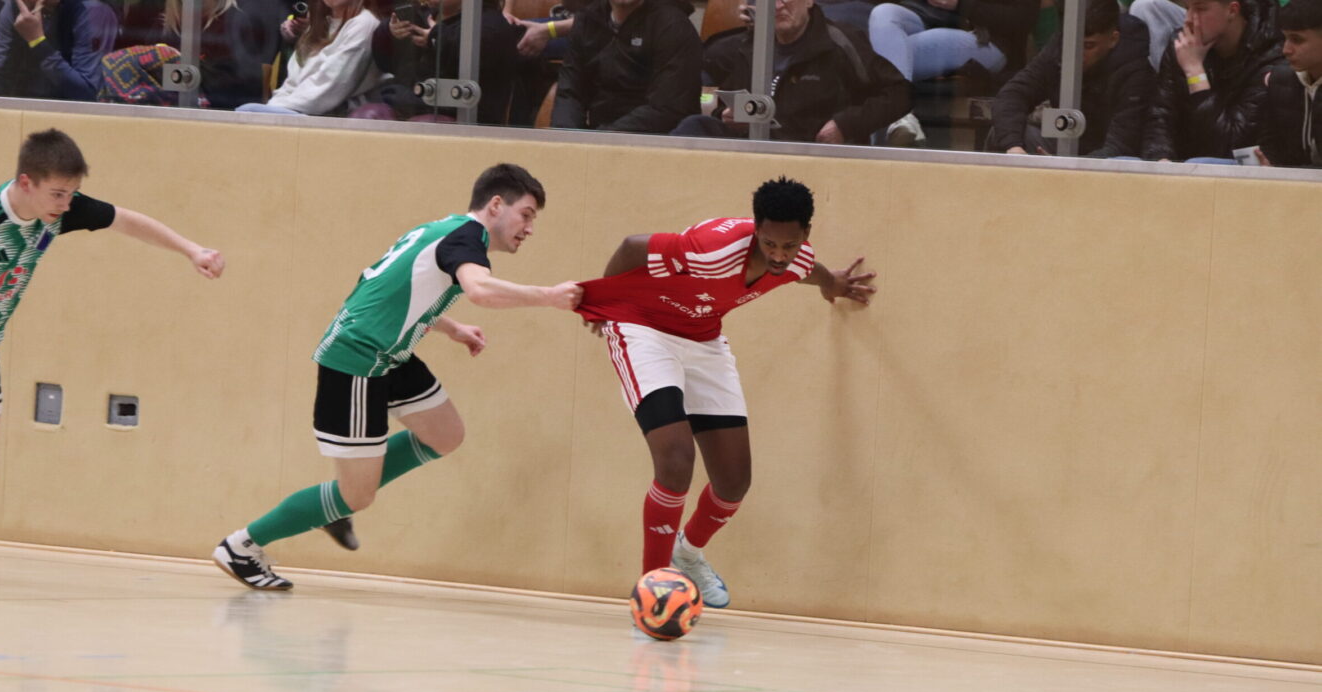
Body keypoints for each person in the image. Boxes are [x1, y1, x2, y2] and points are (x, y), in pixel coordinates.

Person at [212, 164, 583, 591]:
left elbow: (390, 289)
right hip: (356, 361)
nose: (530, 228)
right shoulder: (467, 238)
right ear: (496, 205)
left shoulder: (443, 230)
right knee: (357, 496)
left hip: (391, 355)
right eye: (527, 214)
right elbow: (480, 290)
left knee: (445, 434)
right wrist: (548, 296)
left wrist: (450, 327)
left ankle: (338, 499)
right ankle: (242, 546)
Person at [574, 178, 874, 609]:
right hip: (644, 329)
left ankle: (687, 553)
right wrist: (604, 299)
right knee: (676, 460)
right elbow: (630, 247)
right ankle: (653, 588)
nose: (778, 255)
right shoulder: (710, 250)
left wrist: (834, 285)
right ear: (756, 229)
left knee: (734, 482)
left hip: (703, 340)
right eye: (769, 243)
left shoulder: (798, 260)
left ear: (806, 234)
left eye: (789, 245)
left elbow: (809, 270)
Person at [0, 129, 225, 506]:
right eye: (58, 193)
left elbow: (124, 220)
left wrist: (192, 250)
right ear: (26, 182)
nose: (66, 203)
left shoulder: (56, 213)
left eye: (72, 193)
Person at [673, 0, 912, 145]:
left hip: (811, 152)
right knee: (695, 125)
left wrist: (845, 125)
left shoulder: (839, 41)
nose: (778, 6)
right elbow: (726, 100)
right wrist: (725, 115)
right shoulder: (751, 45)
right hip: (754, 148)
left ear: (809, 2)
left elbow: (899, 93)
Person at [990, 0, 1154, 157]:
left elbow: (1121, 145)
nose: (1077, 53)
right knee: (1004, 133)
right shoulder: (1060, 47)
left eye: (1089, 46)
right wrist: (1014, 148)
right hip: (1064, 144)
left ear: (1113, 39)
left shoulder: (1135, 69)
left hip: (1110, 160)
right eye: (1072, 43)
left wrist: (1067, 167)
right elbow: (1013, 94)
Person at [868, 0, 1040, 145]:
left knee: (881, 57)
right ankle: (899, 120)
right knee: (883, 12)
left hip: (987, 41)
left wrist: (960, 4)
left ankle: (895, 117)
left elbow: (1022, 19)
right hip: (929, 20)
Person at [1141, 0, 1282, 162]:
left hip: (1245, 166)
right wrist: (1160, 158)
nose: (1188, 19)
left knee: (1201, 162)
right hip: (1185, 166)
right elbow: (1160, 117)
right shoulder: (1183, 44)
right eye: (1187, 8)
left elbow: (1230, 146)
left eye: (1200, 9)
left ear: (1232, 10)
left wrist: (1195, 71)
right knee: (1123, 161)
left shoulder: (1271, 56)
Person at [354, 0, 521, 124]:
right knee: (365, 117)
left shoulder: (490, 24)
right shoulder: (421, 16)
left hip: (464, 116)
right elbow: (388, 65)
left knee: (423, 126)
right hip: (408, 102)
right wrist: (390, 33)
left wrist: (437, 38)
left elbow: (474, 60)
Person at [551, 0, 702, 133]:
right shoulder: (587, 20)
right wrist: (566, 136)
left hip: (654, 141)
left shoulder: (673, 26)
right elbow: (569, 93)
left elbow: (668, 108)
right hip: (597, 137)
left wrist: (602, 138)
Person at [237, 0, 381, 115]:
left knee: (247, 112)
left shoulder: (364, 24)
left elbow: (329, 86)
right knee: (246, 113)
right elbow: (292, 82)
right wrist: (273, 106)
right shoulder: (316, 27)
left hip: (337, 118)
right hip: (300, 111)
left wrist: (273, 109)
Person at [0, 0, 105, 100]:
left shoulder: (88, 10)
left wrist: (37, 41)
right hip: (23, 104)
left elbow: (86, 94)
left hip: (69, 110)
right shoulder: (14, 8)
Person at [1256, 0, 1322, 167]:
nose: (1286, 50)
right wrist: (1269, 164)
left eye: (1297, 40)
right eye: (1285, 38)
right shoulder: (1280, 79)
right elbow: (1269, 144)